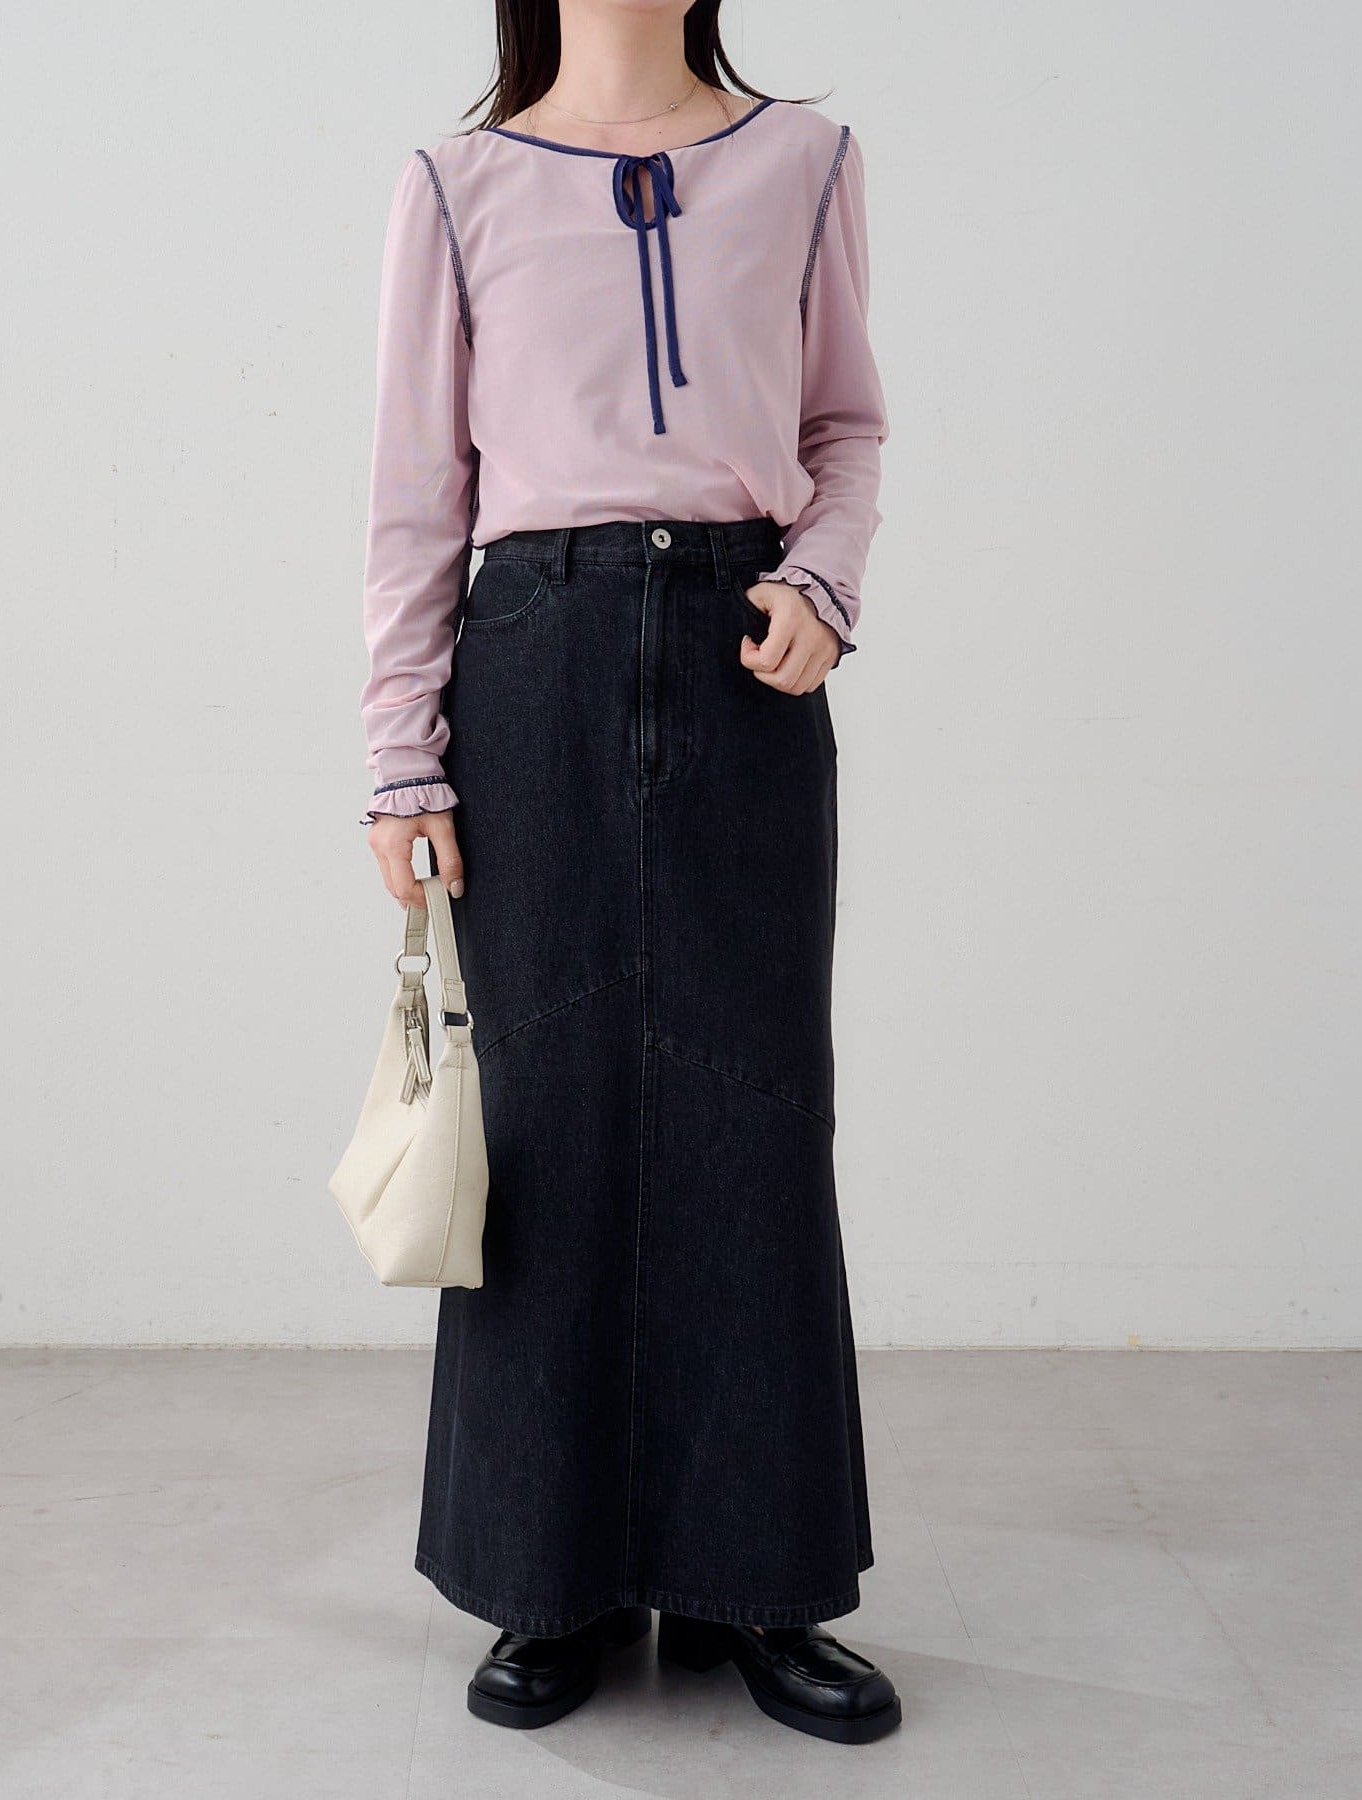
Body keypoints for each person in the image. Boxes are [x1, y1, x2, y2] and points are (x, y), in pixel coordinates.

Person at [359, 0, 900, 1746]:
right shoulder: (457, 186)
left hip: (746, 656)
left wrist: (823, 582)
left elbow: (845, 427)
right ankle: (549, 1579)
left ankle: (761, 1582)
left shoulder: (805, 161)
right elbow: (416, 489)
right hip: (536, 653)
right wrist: (400, 751)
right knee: (548, 1117)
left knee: (758, 1107)